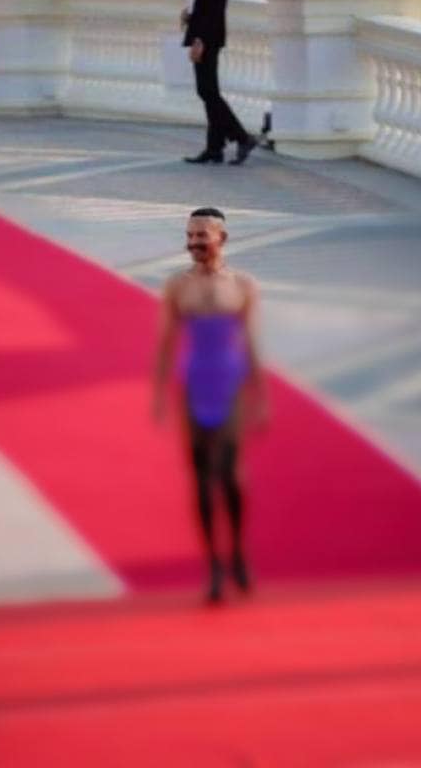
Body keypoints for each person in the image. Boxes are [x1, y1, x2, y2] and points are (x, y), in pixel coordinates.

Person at [153, 207, 268, 602]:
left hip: (229, 382)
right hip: (195, 382)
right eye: (189, 236)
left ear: (221, 238)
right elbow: (166, 341)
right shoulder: (176, 286)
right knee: (201, 474)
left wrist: (260, 395)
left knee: (231, 473)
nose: (193, 243)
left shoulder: (242, 285)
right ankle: (214, 566)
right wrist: (160, 394)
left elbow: (251, 341)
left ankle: (237, 551)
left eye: (200, 235)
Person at [182, 0, 257, 166]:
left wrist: (199, 40)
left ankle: (242, 137)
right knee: (209, 90)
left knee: (207, 91)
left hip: (208, 35)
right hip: (208, 32)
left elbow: (214, 6)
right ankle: (215, 147)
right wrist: (190, 14)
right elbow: (203, 1)